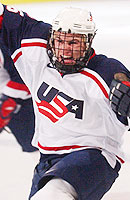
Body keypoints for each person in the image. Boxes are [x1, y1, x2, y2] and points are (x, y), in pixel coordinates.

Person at [0, 4, 130, 200]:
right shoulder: (36, 48)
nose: (65, 51)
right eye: (60, 41)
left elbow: (120, 78)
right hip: (48, 160)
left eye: (73, 43)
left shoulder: (105, 71)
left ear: (88, 41)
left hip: (94, 158)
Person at [0, 40, 37, 152]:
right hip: (11, 101)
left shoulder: (7, 41)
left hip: (24, 103)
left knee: (38, 148)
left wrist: (6, 102)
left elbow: (25, 80)